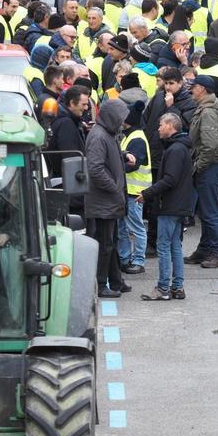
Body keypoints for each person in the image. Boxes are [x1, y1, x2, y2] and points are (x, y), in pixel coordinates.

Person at [137, 113, 193, 301]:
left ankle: (163, 288)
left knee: (164, 246)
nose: (158, 128)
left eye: (161, 125)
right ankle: (177, 287)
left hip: (170, 206)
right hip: (178, 205)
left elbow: (170, 179)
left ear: (170, 126)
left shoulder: (175, 150)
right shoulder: (179, 148)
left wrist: (147, 193)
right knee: (175, 246)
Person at [86, 98, 130, 298]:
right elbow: (95, 168)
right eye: (120, 119)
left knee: (110, 242)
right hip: (103, 200)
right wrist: (113, 188)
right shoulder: (99, 136)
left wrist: (122, 154)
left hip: (109, 199)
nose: (122, 123)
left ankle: (116, 280)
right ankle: (101, 284)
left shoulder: (107, 134)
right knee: (105, 244)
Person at [186, 76, 218, 269]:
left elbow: (210, 146)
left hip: (210, 166)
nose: (191, 90)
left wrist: (198, 166)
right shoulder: (205, 108)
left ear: (202, 89)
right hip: (209, 164)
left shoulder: (209, 112)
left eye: (193, 87)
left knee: (209, 211)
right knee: (205, 210)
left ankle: (216, 253)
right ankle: (205, 249)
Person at [118, 103, 150, 275]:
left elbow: (133, 165)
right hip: (127, 191)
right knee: (123, 226)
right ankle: (125, 259)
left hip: (134, 192)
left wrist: (116, 163)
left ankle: (138, 260)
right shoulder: (129, 135)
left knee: (136, 227)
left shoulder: (136, 138)